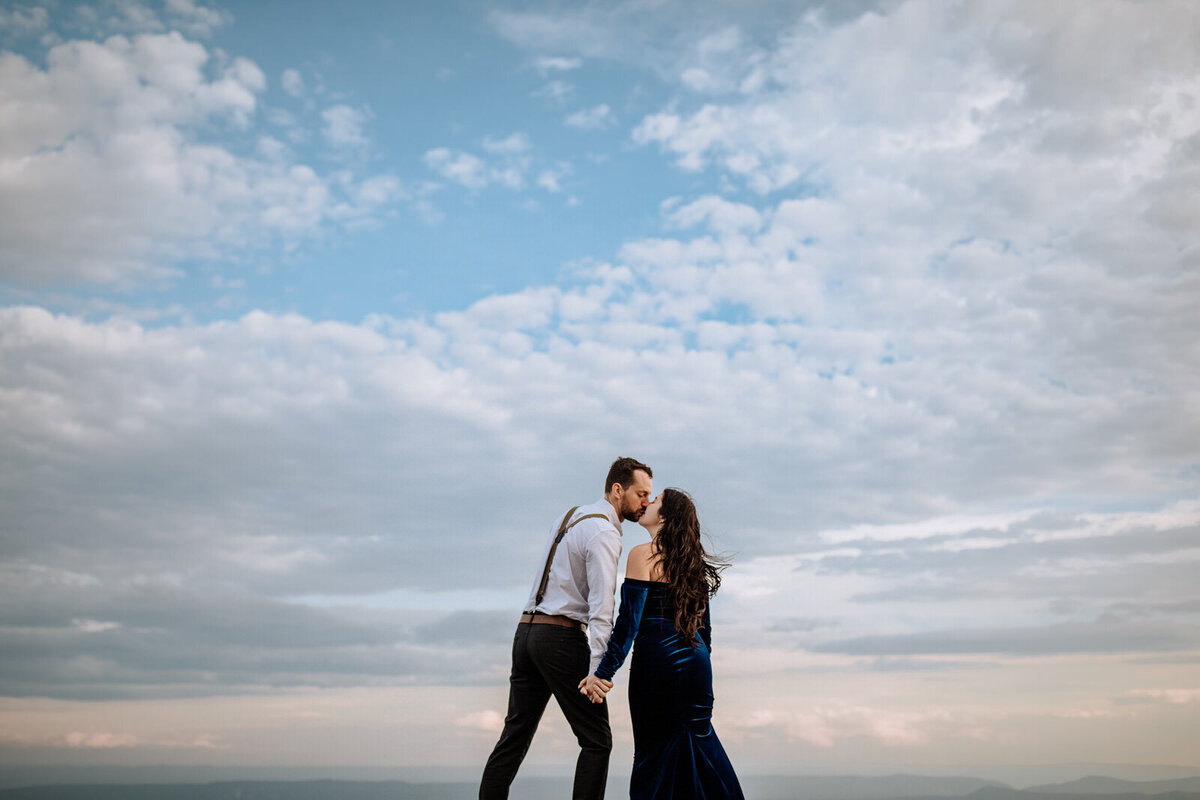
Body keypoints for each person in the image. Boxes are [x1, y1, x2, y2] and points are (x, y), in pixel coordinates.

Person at [480, 457, 654, 800]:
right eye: (641, 493)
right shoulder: (604, 531)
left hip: (526, 632)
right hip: (560, 637)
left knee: (514, 736)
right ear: (618, 490)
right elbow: (603, 607)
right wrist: (598, 671)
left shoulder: (570, 515)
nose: (646, 502)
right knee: (597, 741)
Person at [579, 488, 744, 800]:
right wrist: (698, 666)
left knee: (653, 756)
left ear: (666, 517)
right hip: (697, 666)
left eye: (655, 501)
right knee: (700, 745)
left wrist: (603, 673)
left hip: (657, 667)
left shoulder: (642, 554)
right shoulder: (692, 564)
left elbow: (628, 623)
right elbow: (704, 632)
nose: (647, 503)